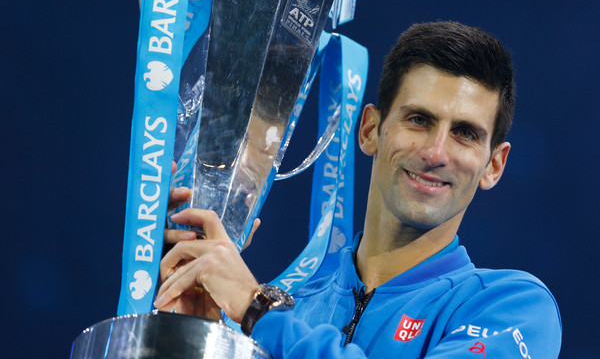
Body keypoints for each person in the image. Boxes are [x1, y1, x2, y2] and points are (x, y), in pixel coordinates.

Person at [154, 21, 562, 358]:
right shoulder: (291, 301)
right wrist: (203, 336)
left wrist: (257, 309)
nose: (437, 153)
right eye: (419, 120)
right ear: (369, 130)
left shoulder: (514, 308)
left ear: (493, 165)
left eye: (465, 134)